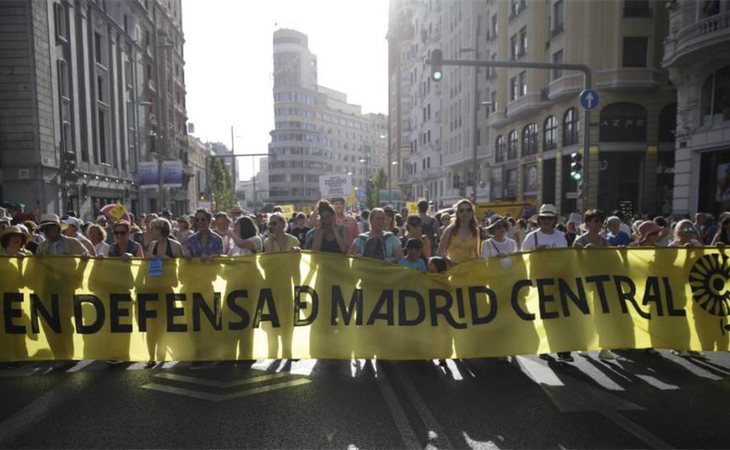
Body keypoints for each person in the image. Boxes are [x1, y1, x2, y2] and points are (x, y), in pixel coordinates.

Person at [437, 199, 480, 265]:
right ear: (457, 213)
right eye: (461, 210)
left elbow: (476, 254)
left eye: (468, 210)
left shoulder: (475, 230)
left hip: (470, 269)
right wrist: (450, 260)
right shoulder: (450, 229)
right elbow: (440, 252)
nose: (465, 213)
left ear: (472, 213)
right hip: (453, 269)